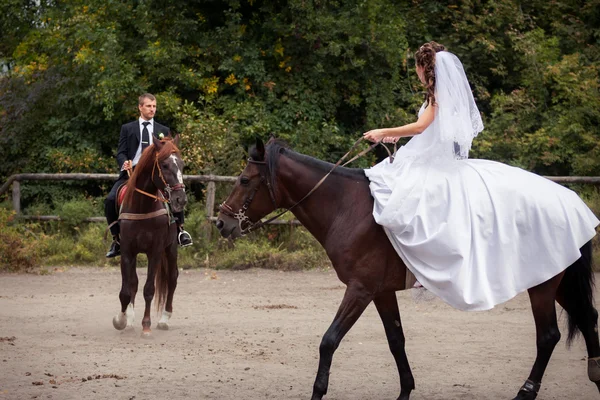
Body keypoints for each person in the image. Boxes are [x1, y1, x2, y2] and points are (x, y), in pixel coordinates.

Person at [362, 42, 599, 311]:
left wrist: (383, 131)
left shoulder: (437, 96)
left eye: (416, 68)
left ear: (421, 68)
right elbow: (431, 131)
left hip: (433, 163)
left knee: (411, 204)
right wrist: (397, 135)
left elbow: (420, 126)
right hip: (426, 156)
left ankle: (421, 268)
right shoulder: (440, 96)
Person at [104, 93, 192, 258]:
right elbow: (121, 152)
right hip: (132, 172)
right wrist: (124, 162)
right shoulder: (127, 128)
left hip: (156, 173)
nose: (152, 109)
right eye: (149, 106)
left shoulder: (163, 130)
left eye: (154, 106)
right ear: (140, 107)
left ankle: (181, 231)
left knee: (175, 190)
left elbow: (169, 154)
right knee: (110, 200)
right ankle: (116, 239)